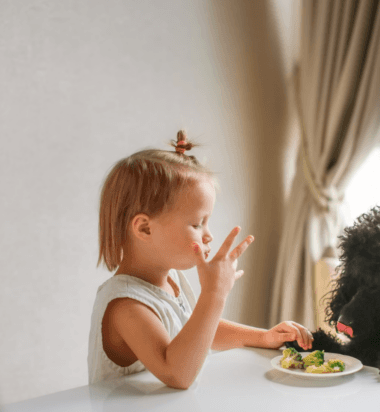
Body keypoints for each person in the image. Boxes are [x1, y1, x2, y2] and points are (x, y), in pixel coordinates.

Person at [88, 130, 314, 388]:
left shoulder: (170, 277)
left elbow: (196, 331)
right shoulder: (127, 306)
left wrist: (264, 337)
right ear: (144, 229)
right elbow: (177, 374)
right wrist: (214, 293)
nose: (209, 236)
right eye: (197, 224)